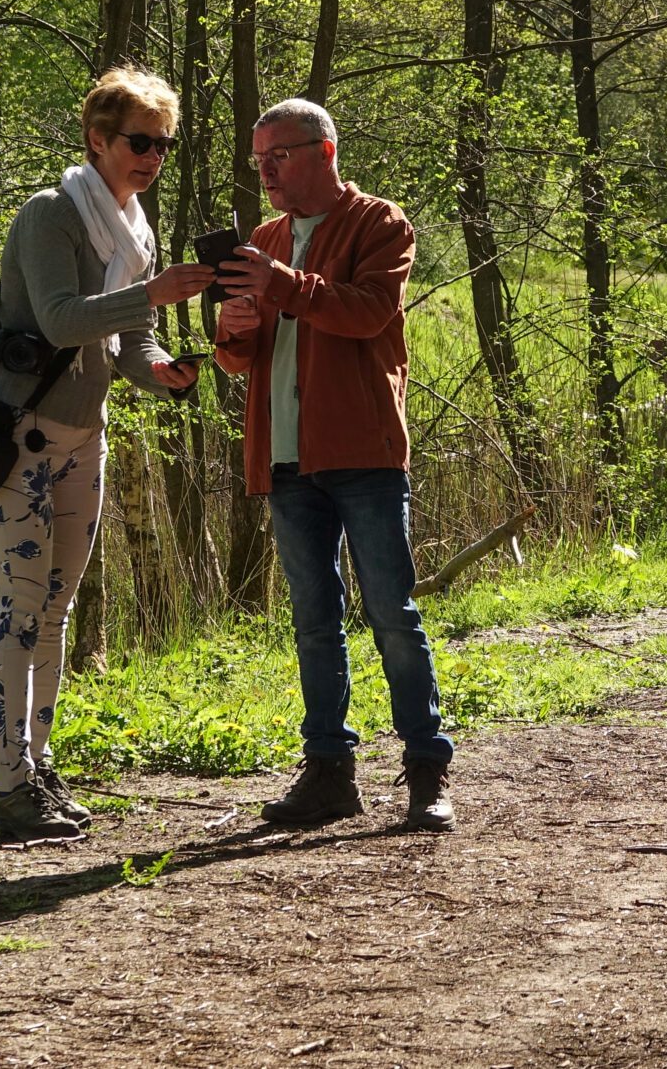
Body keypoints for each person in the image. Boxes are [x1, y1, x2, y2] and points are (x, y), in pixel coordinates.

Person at [0, 65, 215, 839]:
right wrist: (155, 292)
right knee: (16, 609)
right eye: (139, 142)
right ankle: (6, 785)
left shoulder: (135, 228)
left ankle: (36, 769)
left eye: (164, 145)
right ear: (98, 140)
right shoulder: (52, 215)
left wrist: (160, 369)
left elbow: (129, 340)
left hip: (85, 438)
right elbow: (58, 320)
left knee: (55, 609)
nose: (152, 158)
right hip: (17, 436)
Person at [213, 97, 455, 832]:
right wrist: (233, 330)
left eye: (277, 156)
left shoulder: (380, 222)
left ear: (323, 151)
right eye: (257, 160)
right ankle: (328, 775)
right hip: (286, 459)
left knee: (391, 613)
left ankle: (426, 771)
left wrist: (278, 285)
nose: (266, 172)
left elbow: (365, 312)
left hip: (363, 453)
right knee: (314, 622)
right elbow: (239, 359)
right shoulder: (265, 237)